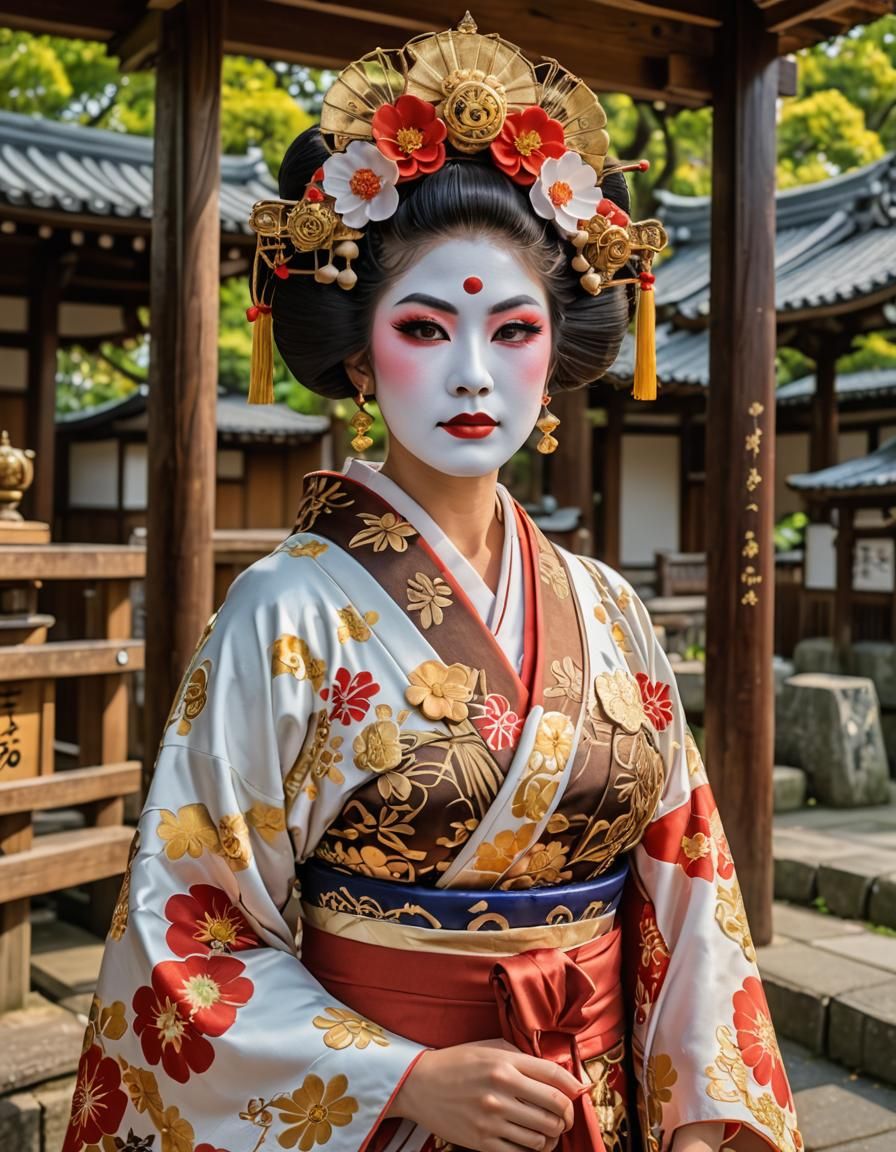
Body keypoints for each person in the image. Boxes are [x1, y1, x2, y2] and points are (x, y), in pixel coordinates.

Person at [62, 16, 800, 1152]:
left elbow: (688, 891)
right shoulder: (282, 611)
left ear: (554, 356)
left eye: (512, 331)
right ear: (360, 354)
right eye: (422, 327)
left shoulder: (605, 605)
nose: (471, 374)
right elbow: (189, 935)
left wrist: (700, 1115)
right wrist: (404, 1075)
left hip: (596, 1110)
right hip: (388, 1112)